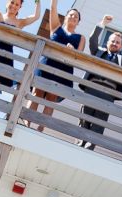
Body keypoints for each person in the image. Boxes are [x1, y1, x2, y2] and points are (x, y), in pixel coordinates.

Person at [77, 15, 122, 150]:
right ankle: (80, 142)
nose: (115, 44)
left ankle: (90, 146)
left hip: (108, 94)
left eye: (117, 42)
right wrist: (103, 23)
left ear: (121, 46)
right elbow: (93, 39)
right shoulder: (98, 52)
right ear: (107, 42)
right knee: (85, 117)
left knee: (99, 121)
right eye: (112, 41)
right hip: (92, 89)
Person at [26, 0, 85, 132]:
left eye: (76, 17)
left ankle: (41, 128)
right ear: (66, 16)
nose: (73, 17)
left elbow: (79, 56)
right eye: (71, 14)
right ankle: (26, 122)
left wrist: (73, 51)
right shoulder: (56, 27)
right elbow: (53, 7)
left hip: (63, 69)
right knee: (37, 93)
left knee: (51, 98)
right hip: (47, 64)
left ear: (78, 22)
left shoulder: (81, 38)